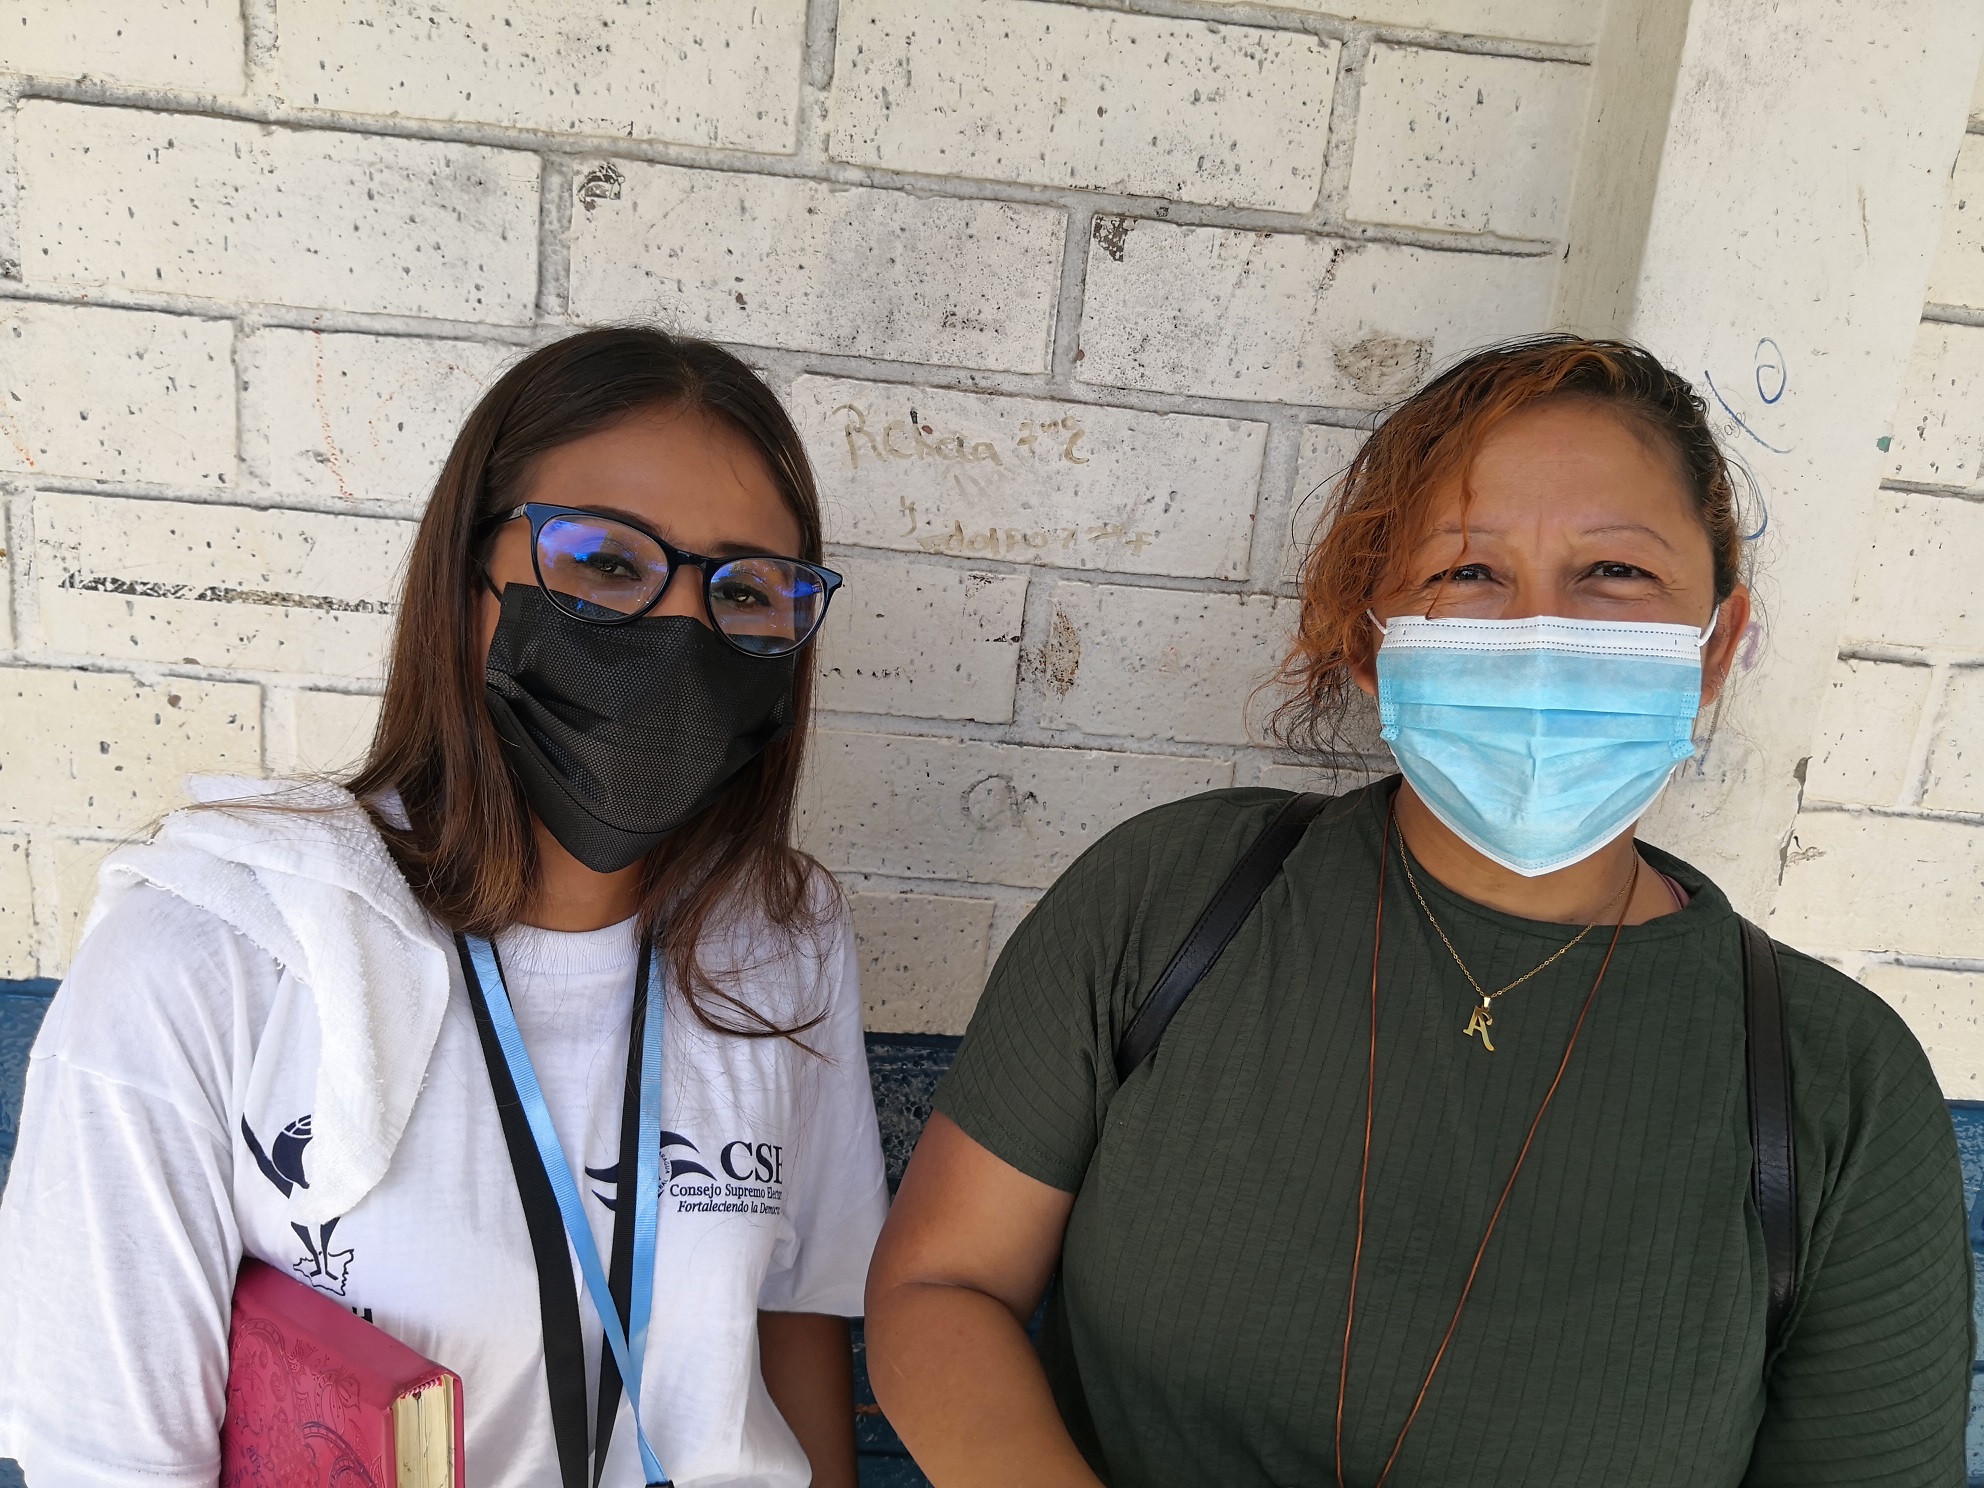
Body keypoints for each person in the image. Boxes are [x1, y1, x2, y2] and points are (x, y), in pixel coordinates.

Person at [864, 335, 1972, 1487]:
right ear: (1368, 642)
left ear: (1715, 646)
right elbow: (942, 1285)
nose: (1537, 637)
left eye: (1614, 572)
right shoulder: (1169, 898)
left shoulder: (1838, 1083)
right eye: (1467, 572)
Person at [0, 328, 888, 1488]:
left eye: (749, 590)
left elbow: (794, 1315)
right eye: (605, 562)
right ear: (464, 579)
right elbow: (109, 1461)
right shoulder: (211, 950)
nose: (679, 633)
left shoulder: (781, 934)